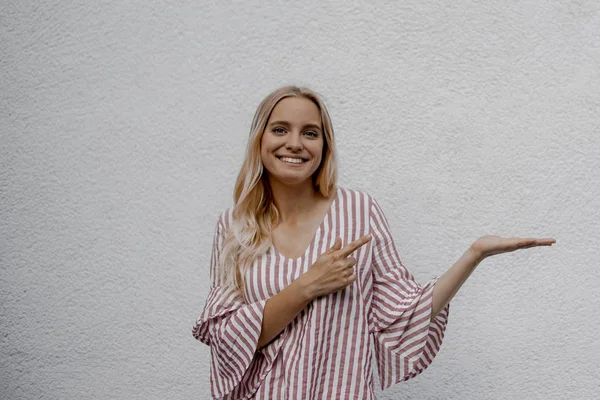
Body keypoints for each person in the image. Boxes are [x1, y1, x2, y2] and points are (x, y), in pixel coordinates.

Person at [192, 86, 556, 399]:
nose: (294, 143)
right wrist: (307, 286)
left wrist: (474, 255)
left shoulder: (358, 212)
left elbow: (403, 314)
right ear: (260, 139)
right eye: (280, 129)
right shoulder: (235, 227)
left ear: (324, 146)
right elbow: (228, 337)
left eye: (310, 133)